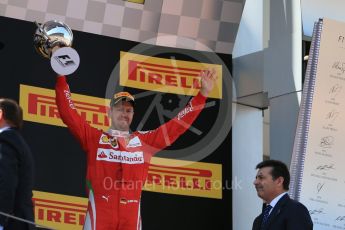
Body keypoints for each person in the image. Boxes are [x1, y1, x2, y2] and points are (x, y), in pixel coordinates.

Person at [55, 69, 217, 230]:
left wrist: (202, 95)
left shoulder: (144, 142)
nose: (124, 113)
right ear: (110, 112)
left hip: (131, 219)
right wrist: (61, 76)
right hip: (100, 215)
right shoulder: (94, 139)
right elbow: (68, 114)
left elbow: (177, 126)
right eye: (119, 109)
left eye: (128, 110)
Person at [0, 98, 35, 230]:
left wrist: (0, 222)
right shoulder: (17, 142)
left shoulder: (6, 141)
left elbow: (6, 183)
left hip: (11, 224)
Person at [252, 159, 313, 230]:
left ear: (279, 181)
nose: (255, 182)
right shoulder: (259, 220)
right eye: (256, 178)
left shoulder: (295, 210)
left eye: (261, 177)